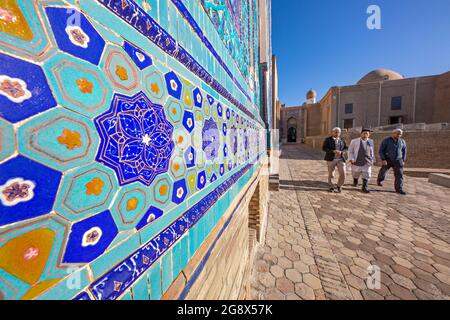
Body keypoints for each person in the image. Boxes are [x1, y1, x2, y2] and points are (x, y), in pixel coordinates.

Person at [377, 129, 407, 195]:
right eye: (398, 134)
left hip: (398, 160)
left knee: (399, 174)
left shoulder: (402, 141)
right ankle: (380, 180)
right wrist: (383, 159)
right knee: (383, 171)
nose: (399, 135)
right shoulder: (386, 141)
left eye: (400, 134)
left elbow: (404, 151)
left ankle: (399, 189)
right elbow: (381, 151)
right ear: (393, 133)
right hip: (387, 160)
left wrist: (403, 160)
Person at [348, 128, 375, 193]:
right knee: (355, 173)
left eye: (367, 134)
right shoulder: (354, 141)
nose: (365, 135)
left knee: (367, 173)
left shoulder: (371, 141)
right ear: (361, 134)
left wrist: (373, 159)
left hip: (367, 160)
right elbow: (350, 151)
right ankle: (355, 180)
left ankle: (364, 187)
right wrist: (351, 158)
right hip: (357, 160)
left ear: (369, 135)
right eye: (364, 133)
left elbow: (372, 151)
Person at [322, 127, 348, 193]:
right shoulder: (328, 140)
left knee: (343, 173)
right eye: (335, 132)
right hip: (331, 159)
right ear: (332, 132)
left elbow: (346, 148)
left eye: (338, 132)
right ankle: (331, 186)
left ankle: (339, 185)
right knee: (331, 174)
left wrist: (342, 152)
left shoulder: (342, 140)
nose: (337, 133)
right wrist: (332, 151)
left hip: (340, 159)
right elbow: (324, 148)